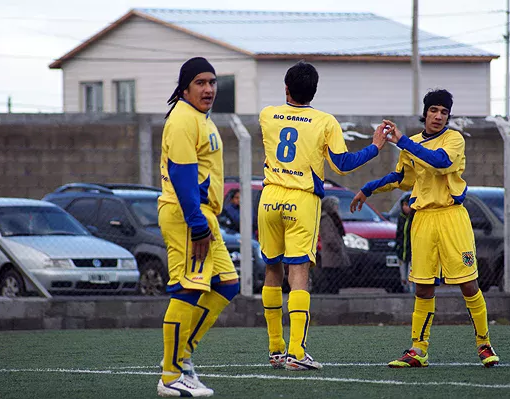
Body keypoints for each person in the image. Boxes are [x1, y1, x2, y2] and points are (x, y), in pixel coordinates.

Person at [350, 89, 500, 368]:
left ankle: (484, 344)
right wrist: (367, 189)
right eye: (434, 110)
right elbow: (401, 178)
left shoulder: (453, 139)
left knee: (468, 283)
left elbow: (441, 163)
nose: (439, 116)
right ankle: (418, 350)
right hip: (423, 221)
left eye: (444, 112)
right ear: (426, 112)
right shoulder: (413, 143)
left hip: (452, 218)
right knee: (422, 286)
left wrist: (403, 141)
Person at [258, 61, 389, 371]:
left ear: (286, 89)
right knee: (299, 273)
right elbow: (342, 164)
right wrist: (374, 147)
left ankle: (275, 349)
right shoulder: (325, 121)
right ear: (314, 91)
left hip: (269, 196)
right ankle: (296, 352)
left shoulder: (267, 115)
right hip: (301, 199)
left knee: (272, 270)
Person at [157, 57, 240, 397]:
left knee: (226, 284)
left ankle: (183, 357)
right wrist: (195, 222)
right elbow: (181, 174)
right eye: (200, 83)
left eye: (212, 82)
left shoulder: (200, 118)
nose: (208, 89)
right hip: (186, 216)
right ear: (185, 87)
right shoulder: (182, 119)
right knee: (188, 289)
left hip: (203, 215)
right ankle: (171, 375)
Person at [317, 196, 351, 293]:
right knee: (331, 279)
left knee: (336, 279)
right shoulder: (326, 219)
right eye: (336, 205)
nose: (337, 207)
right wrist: (337, 247)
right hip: (331, 254)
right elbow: (329, 237)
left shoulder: (333, 218)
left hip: (335, 253)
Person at [396, 194, 414, 294]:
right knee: (403, 276)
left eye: (408, 205)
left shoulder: (415, 218)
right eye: (404, 205)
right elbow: (398, 234)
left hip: (412, 251)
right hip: (402, 250)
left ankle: (412, 293)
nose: (406, 208)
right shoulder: (401, 217)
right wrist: (398, 246)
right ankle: (405, 290)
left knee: (410, 276)